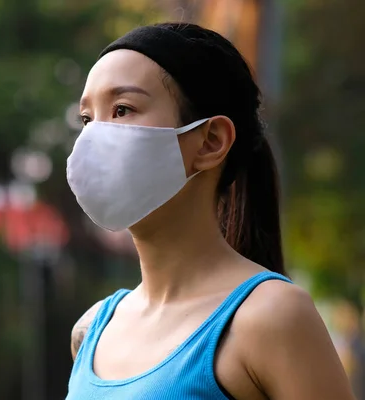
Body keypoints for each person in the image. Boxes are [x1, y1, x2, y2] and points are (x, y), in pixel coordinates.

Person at [65, 22, 355, 400]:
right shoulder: (90, 332)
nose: (95, 138)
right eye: (87, 119)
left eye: (123, 109)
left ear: (211, 142)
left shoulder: (271, 317)